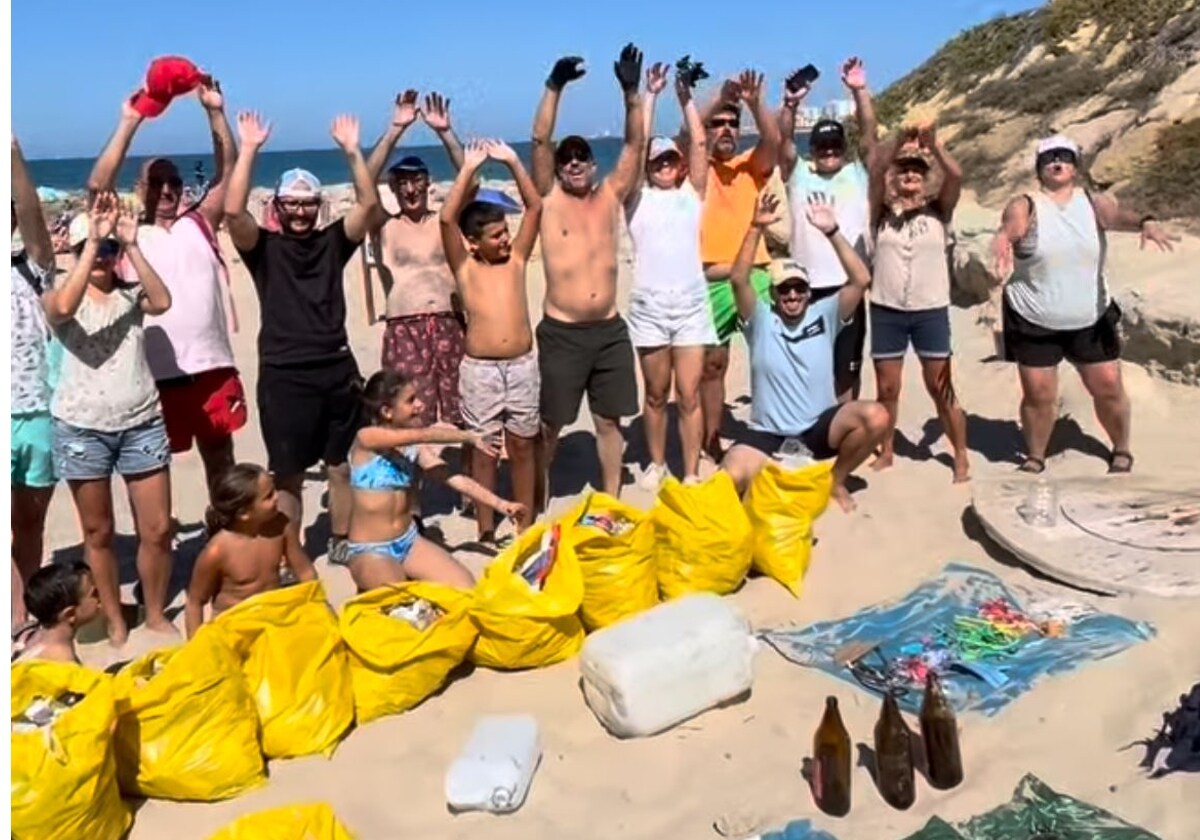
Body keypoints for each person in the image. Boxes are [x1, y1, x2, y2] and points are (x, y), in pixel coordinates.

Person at [225, 111, 387, 564]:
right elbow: (233, 211)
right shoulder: (262, 250)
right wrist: (250, 149)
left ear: (319, 207)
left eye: (307, 203)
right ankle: (292, 552)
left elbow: (369, 207)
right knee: (290, 474)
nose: (299, 211)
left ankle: (340, 539)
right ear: (277, 207)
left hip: (336, 367)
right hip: (284, 374)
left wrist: (353, 152)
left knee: (340, 465)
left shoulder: (332, 243)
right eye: (291, 204)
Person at [86, 76, 244, 500]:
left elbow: (227, 169)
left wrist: (214, 112)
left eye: (174, 182)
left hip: (212, 368)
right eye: (157, 183)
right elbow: (97, 188)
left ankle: (225, 538)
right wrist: (130, 121)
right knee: (155, 474)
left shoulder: (200, 223)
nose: (168, 190)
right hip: (152, 377)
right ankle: (164, 548)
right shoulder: (126, 233)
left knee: (222, 464)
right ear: (140, 191)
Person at [991, 135, 1179, 474]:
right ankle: (1035, 457)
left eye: (1064, 156)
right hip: (1034, 315)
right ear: (1039, 169)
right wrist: (1004, 239)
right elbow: (1011, 227)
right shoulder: (1025, 203)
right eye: (1048, 158)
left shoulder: (1092, 201)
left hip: (1090, 316)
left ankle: (1121, 449)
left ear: (1076, 166)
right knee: (1039, 395)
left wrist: (1145, 222)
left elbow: (1118, 217)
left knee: (1108, 387)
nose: (1056, 162)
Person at [42, 193, 175, 647]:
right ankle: (115, 618)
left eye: (107, 252)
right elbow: (61, 310)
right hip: (82, 428)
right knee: (97, 532)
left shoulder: (131, 295)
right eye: (91, 250)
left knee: (156, 529)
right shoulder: (58, 294)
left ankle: (155, 612)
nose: (102, 258)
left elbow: (163, 300)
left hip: (141, 421)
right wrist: (91, 243)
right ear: (75, 253)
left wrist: (130, 245)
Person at [721, 193, 888, 513]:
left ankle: (834, 481)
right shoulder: (760, 319)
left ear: (809, 293)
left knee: (877, 417)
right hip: (768, 433)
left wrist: (832, 232)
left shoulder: (824, 314)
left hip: (818, 429)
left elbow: (861, 278)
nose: (793, 294)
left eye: (799, 288)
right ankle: (779, 476)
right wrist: (756, 227)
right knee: (731, 476)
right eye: (785, 289)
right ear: (773, 294)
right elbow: (738, 278)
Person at [530, 45, 646, 503]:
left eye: (582, 157)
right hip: (562, 332)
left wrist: (631, 92)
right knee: (550, 422)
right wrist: (554, 86)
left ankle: (612, 496)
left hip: (610, 331)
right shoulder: (549, 197)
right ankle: (537, 493)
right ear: (559, 169)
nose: (574, 162)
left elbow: (636, 145)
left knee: (609, 420)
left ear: (594, 165)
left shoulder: (610, 196)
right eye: (568, 158)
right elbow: (540, 141)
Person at [440, 139, 543, 542]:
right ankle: (485, 528)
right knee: (484, 450)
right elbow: (447, 220)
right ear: (473, 241)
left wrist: (515, 161)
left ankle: (526, 521)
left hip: (521, 366)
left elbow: (535, 207)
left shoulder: (516, 260)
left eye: (506, 232)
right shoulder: (464, 268)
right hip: (481, 370)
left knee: (522, 445)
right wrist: (467, 168)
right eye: (497, 235)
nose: (505, 239)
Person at [345, 371, 524, 592]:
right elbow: (421, 435)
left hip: (408, 541)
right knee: (401, 604)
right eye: (411, 400)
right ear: (387, 411)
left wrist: (501, 504)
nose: (420, 405)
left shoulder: (413, 448)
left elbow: (455, 479)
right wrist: (469, 436)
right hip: (371, 549)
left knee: (467, 590)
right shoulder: (366, 438)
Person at [624, 60, 715, 488]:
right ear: (647, 166)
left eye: (669, 161)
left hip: (691, 303)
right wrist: (651, 94)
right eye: (657, 161)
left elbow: (699, 142)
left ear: (679, 167)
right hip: (650, 305)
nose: (663, 166)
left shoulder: (691, 195)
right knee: (657, 394)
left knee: (690, 395)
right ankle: (657, 463)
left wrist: (685, 99)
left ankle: (692, 470)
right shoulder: (635, 199)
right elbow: (636, 142)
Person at [866, 125, 971, 482]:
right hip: (886, 310)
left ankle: (960, 454)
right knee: (887, 389)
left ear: (925, 179)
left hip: (930, 310)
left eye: (917, 170)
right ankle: (888, 450)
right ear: (895, 177)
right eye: (904, 169)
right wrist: (897, 143)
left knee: (940, 388)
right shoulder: (881, 212)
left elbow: (955, 175)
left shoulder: (939, 210)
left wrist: (935, 146)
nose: (910, 174)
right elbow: (875, 171)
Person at [364, 90, 467, 428]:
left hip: (451, 325)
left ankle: (462, 475)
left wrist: (445, 133)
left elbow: (471, 177)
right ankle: (410, 481)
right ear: (392, 188)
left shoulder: (446, 221)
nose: (410, 189)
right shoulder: (385, 225)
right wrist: (395, 129)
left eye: (416, 180)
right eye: (402, 182)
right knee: (406, 419)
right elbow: (363, 180)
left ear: (428, 184)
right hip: (404, 330)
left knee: (462, 413)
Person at [779, 57, 877, 400]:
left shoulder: (857, 173)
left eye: (835, 145)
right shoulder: (799, 174)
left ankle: (844, 434)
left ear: (843, 147)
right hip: (803, 289)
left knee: (846, 370)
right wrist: (791, 104)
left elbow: (869, 134)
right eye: (822, 146)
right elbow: (784, 142)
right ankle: (812, 432)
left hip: (847, 285)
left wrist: (859, 90)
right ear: (813, 150)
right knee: (805, 366)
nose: (830, 151)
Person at [697, 70, 781, 462]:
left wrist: (752, 101)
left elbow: (773, 140)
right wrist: (717, 99)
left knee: (771, 355)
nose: (727, 129)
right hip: (711, 281)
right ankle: (712, 437)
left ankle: (777, 429)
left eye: (733, 124)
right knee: (712, 365)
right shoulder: (695, 170)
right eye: (720, 123)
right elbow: (691, 130)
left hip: (754, 276)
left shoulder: (751, 165)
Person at [11, 136, 58, 636]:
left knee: (30, 522)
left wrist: (15, 155)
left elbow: (35, 220)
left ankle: (23, 607)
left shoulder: (32, 268)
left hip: (39, 410)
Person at [183, 463, 317, 638]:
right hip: (233, 628)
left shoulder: (281, 526)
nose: (277, 497)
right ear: (244, 514)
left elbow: (305, 572)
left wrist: (318, 607)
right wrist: (196, 646)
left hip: (272, 618)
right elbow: (195, 602)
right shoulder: (217, 551)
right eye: (268, 496)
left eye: (274, 490)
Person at [14, 561, 100, 664]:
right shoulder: (64, 662)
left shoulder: (32, 637)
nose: (101, 596)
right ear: (70, 614)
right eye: (94, 593)